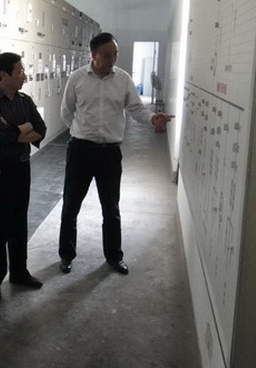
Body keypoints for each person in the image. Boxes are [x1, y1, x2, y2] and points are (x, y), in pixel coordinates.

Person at [58, 32, 174, 275]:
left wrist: (153, 118)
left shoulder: (123, 79)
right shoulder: (77, 78)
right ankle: (66, 255)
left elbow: (136, 109)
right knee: (70, 206)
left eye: (115, 54)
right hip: (80, 151)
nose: (112, 60)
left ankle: (114, 256)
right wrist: (82, 132)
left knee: (111, 208)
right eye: (107, 55)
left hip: (110, 154)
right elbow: (67, 112)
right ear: (94, 55)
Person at [0, 52, 47, 302]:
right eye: (20, 72)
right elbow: (3, 135)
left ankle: (19, 271)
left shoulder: (25, 100)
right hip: (0, 171)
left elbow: (41, 129)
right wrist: (23, 130)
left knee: (19, 222)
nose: (24, 76)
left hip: (22, 167)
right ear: (4, 75)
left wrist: (17, 133)